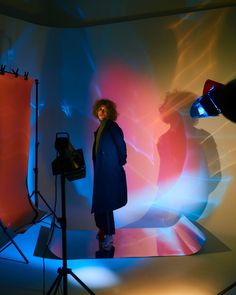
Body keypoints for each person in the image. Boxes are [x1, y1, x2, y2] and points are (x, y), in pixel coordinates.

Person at [91, 98, 127, 251]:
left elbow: (121, 148)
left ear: (110, 112)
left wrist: (116, 164)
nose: (102, 112)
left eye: (105, 109)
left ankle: (109, 236)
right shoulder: (101, 128)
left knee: (106, 204)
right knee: (101, 203)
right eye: (100, 109)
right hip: (101, 171)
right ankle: (102, 230)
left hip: (109, 171)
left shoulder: (112, 126)